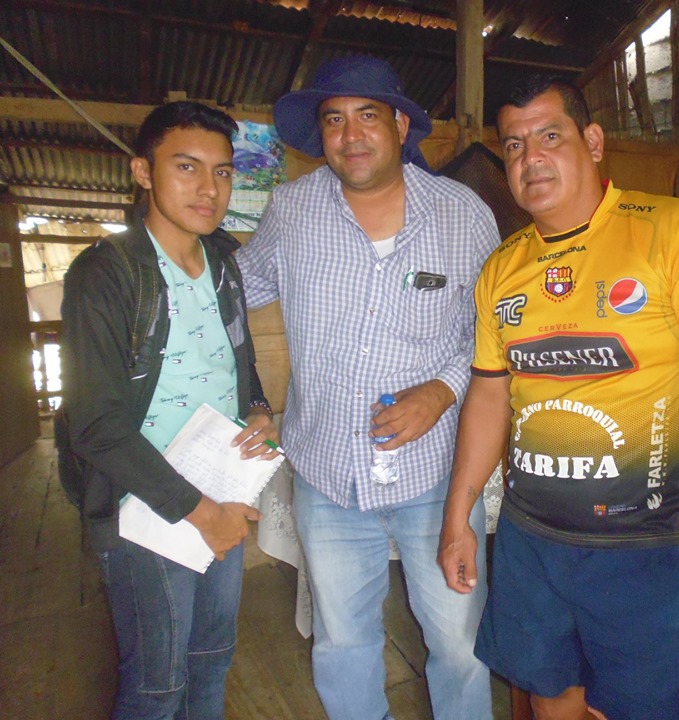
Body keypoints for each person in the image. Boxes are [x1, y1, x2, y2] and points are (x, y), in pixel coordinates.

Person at [438, 75, 679, 720]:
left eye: (550, 136)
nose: (531, 158)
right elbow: (488, 396)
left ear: (592, 142)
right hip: (530, 542)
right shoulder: (502, 268)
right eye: (514, 145)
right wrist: (458, 516)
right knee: (549, 699)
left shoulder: (676, 232)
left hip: (645, 546)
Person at [237, 55, 500, 720]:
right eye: (334, 120)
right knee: (343, 642)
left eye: (367, 116)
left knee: (460, 643)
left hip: (436, 476)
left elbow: (493, 333)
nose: (350, 134)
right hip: (329, 473)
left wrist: (441, 391)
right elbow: (234, 291)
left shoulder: (463, 215)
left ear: (400, 125)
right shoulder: (292, 210)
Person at [60, 101, 280, 720]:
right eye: (187, 167)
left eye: (222, 171)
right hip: (146, 507)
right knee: (156, 687)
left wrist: (257, 408)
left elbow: (237, 359)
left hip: (218, 492)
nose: (209, 188)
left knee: (211, 660)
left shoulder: (223, 265)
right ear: (143, 172)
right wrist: (205, 515)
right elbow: (96, 425)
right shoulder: (106, 274)